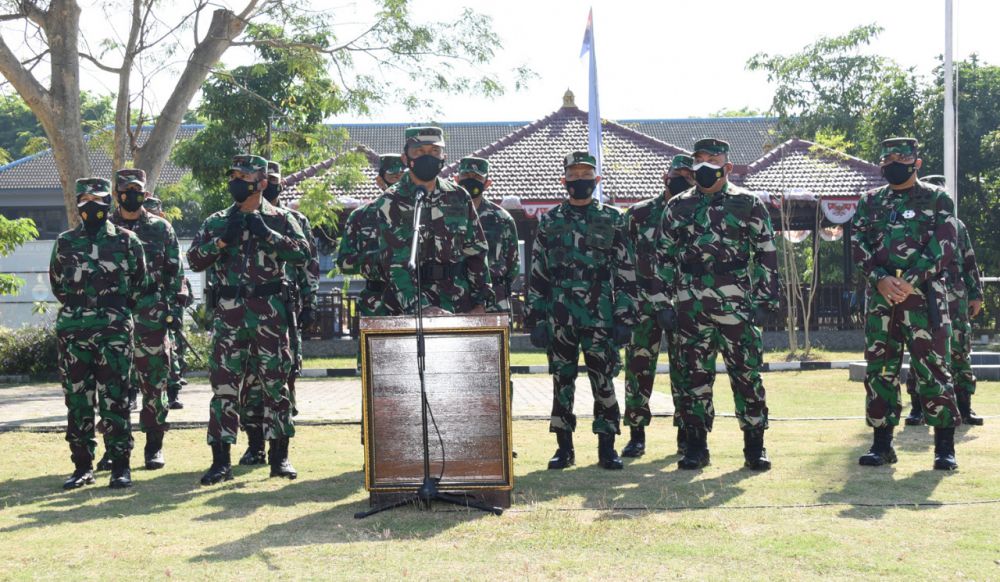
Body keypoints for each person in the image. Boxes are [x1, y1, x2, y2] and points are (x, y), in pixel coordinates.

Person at [656, 138, 780, 471]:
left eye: (711, 159)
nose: (703, 165)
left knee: (746, 374)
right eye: (698, 159)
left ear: (727, 166)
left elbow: (766, 251)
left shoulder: (748, 203)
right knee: (693, 377)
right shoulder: (678, 206)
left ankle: (755, 446)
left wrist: (767, 298)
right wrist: (662, 302)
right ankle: (696, 447)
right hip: (690, 303)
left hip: (736, 301)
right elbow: (663, 257)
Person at [187, 154, 310, 485]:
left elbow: (302, 254)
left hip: (270, 314)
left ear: (262, 183)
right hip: (230, 313)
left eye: (244, 176)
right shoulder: (216, 221)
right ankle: (220, 462)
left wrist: (267, 233)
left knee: (275, 385)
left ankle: (279, 458)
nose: (236, 182)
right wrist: (223, 240)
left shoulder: (283, 219)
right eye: (234, 176)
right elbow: (195, 260)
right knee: (224, 388)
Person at [851, 137, 961, 470]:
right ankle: (882, 445)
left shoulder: (938, 199)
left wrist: (908, 280)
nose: (892, 164)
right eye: (886, 159)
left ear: (917, 162)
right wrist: (881, 279)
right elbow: (858, 244)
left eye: (900, 157)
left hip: (923, 297)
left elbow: (944, 245)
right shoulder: (869, 201)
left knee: (933, 369)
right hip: (882, 300)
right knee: (879, 370)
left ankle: (944, 448)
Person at [525, 151, 638, 471]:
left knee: (604, 381)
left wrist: (624, 316)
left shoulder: (614, 218)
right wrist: (535, 317)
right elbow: (538, 271)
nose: (579, 181)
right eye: (573, 176)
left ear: (596, 180)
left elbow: (626, 271)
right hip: (559, 314)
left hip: (600, 312)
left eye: (585, 175)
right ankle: (564, 447)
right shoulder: (550, 220)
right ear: (564, 181)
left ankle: (607, 447)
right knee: (562, 381)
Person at [50, 177, 146, 489]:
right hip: (74, 332)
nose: (93, 204)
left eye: (99, 198)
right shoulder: (65, 241)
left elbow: (140, 282)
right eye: (86, 199)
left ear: (109, 201)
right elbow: (57, 284)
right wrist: (83, 308)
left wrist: (113, 307)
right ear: (78, 203)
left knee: (115, 399)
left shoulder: (127, 240)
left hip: (114, 330)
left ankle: (120, 466)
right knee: (78, 400)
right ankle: (82, 467)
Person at [236, 160, 320, 473]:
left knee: (283, 374)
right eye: (264, 180)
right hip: (247, 312)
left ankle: (279, 442)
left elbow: (308, 264)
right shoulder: (238, 216)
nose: (269, 185)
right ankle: (254, 443)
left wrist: (309, 302)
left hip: (285, 308)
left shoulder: (292, 219)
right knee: (249, 379)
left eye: (274, 180)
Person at [370, 127, 493, 316]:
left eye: (434, 151)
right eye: (419, 151)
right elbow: (395, 264)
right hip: (408, 310)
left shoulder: (459, 196)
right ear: (405, 158)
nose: (427, 156)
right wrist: (421, 307)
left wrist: (481, 303)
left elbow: (476, 252)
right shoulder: (389, 201)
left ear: (444, 157)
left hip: (459, 304)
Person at [109, 169, 183, 471]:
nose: (131, 195)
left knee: (154, 386)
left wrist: (173, 313)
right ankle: (114, 448)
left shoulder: (160, 228)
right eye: (125, 190)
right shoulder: (104, 228)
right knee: (112, 387)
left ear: (145, 193)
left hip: (151, 315)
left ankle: (154, 447)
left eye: (137, 190)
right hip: (112, 317)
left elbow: (175, 274)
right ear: (116, 193)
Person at [621, 154, 694, 458]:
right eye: (677, 175)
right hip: (642, 304)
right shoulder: (638, 214)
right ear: (665, 178)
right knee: (638, 370)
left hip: (681, 304)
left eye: (688, 178)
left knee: (685, 370)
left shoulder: (695, 213)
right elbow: (622, 259)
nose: (681, 181)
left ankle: (685, 433)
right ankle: (637, 435)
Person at [903, 218, 984, 427]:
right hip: (924, 293)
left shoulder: (957, 225)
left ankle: (965, 407)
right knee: (921, 347)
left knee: (960, 347)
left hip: (955, 296)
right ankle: (917, 407)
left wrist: (976, 293)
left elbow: (969, 260)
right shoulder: (914, 222)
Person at [455, 156, 520, 315]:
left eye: (477, 177)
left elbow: (513, 265)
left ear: (487, 183)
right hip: (455, 298)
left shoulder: (502, 219)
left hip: (494, 302)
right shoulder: (444, 215)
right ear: (456, 179)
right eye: (466, 176)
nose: (471, 181)